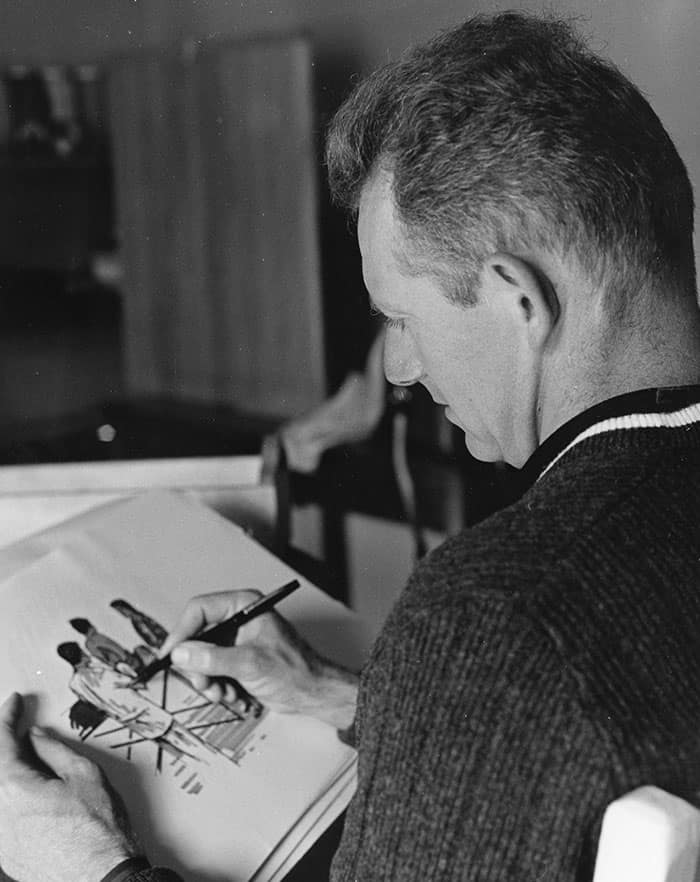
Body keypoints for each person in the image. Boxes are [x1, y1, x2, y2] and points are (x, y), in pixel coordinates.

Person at [2, 10, 700, 881]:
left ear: (521, 298)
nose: (399, 368)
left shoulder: (502, 613)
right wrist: (362, 696)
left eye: (401, 320)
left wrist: (89, 862)